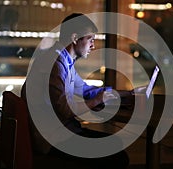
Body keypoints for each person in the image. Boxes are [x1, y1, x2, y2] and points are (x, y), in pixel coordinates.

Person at [21, 13, 135, 169]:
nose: (93, 46)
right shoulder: (54, 64)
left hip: (64, 132)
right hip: (54, 140)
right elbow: (65, 110)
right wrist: (96, 101)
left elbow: (85, 90)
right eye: (90, 40)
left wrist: (127, 94)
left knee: (115, 145)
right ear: (75, 38)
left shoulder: (63, 60)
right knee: (117, 155)